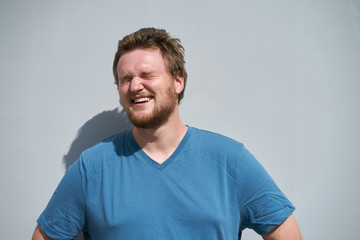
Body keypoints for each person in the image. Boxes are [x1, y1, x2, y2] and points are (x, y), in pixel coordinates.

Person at [32, 27, 302, 240]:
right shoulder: (91, 168)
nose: (135, 86)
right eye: (125, 79)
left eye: (146, 74)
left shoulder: (231, 161)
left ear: (178, 81)